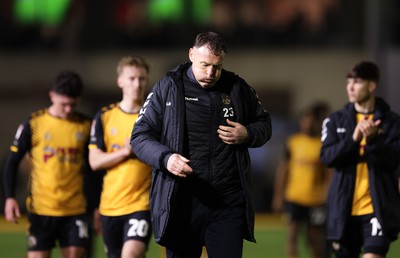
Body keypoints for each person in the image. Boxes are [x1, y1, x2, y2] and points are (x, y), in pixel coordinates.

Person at [130, 31, 272, 258]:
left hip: (227, 202)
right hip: (181, 201)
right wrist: (166, 158)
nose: (210, 73)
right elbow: (139, 137)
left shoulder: (237, 88)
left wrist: (248, 133)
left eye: (217, 67)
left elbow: (264, 124)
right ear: (191, 54)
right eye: (204, 65)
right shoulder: (168, 87)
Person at [3, 70, 92, 258]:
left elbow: (94, 169)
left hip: (75, 209)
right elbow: (12, 161)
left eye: (73, 104)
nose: (68, 109)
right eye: (64, 104)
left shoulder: (85, 125)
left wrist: (96, 205)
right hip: (42, 209)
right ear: (52, 96)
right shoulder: (34, 124)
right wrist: (10, 197)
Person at [320, 61, 400, 258]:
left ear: (371, 86)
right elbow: (327, 157)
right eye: (348, 82)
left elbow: (393, 160)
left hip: (377, 210)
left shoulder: (392, 122)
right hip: (343, 210)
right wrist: (354, 139)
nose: (350, 87)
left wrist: (373, 140)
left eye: (356, 82)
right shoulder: (335, 120)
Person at [88, 56, 152, 258]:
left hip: (142, 204)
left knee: (130, 255)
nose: (137, 84)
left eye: (141, 79)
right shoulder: (105, 116)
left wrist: (141, 150)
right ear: (120, 81)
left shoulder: (153, 116)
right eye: (132, 78)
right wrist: (125, 152)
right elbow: (94, 161)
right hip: (111, 205)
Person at [272, 102, 332, 258]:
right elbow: (282, 170)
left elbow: (329, 172)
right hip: (294, 197)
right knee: (292, 235)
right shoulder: (293, 142)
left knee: (315, 238)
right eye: (305, 119)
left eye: (311, 119)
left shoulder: (322, 144)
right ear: (300, 121)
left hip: (316, 199)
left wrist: (327, 192)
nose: (308, 123)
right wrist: (278, 196)